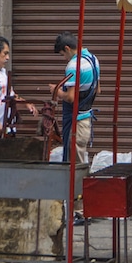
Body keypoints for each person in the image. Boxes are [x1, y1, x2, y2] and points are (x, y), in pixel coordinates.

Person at [51, 31, 100, 165]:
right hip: (86, 120)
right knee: (79, 164)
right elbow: (98, 89)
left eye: (63, 55)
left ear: (67, 48)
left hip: (76, 123)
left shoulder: (74, 65)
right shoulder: (93, 59)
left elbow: (70, 97)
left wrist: (57, 91)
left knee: (73, 167)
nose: (65, 58)